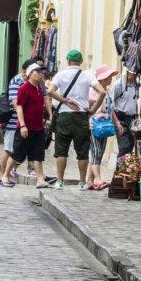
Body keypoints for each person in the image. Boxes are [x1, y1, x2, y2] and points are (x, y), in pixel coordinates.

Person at [47, 49, 100, 190]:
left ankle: (59, 181)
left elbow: (50, 91)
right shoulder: (87, 75)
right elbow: (102, 92)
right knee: (82, 151)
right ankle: (82, 182)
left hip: (64, 115)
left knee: (61, 150)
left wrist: (65, 101)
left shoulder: (60, 75)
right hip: (81, 115)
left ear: (67, 60)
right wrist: (93, 110)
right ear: (81, 61)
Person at [9, 64, 53, 189]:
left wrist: (50, 114)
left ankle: (40, 180)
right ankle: (5, 175)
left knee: (38, 154)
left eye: (41, 72)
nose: (40, 74)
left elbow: (45, 100)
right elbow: (19, 107)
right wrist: (22, 125)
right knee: (17, 153)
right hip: (26, 127)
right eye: (37, 72)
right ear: (30, 74)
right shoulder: (24, 88)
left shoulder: (39, 88)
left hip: (38, 127)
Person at [86, 65, 122, 190]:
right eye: (108, 77)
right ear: (102, 79)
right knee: (96, 152)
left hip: (105, 126)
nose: (111, 79)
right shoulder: (92, 91)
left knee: (98, 154)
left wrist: (117, 123)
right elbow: (87, 107)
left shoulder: (107, 91)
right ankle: (98, 179)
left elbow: (110, 110)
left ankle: (90, 180)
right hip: (94, 126)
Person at [110, 68, 139, 157]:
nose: (134, 76)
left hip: (132, 118)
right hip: (121, 118)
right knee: (124, 147)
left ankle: (125, 169)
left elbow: (135, 101)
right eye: (132, 74)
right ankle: (119, 169)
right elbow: (110, 102)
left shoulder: (136, 85)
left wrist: (137, 116)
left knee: (131, 145)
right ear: (126, 72)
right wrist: (116, 121)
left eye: (136, 74)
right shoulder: (118, 84)